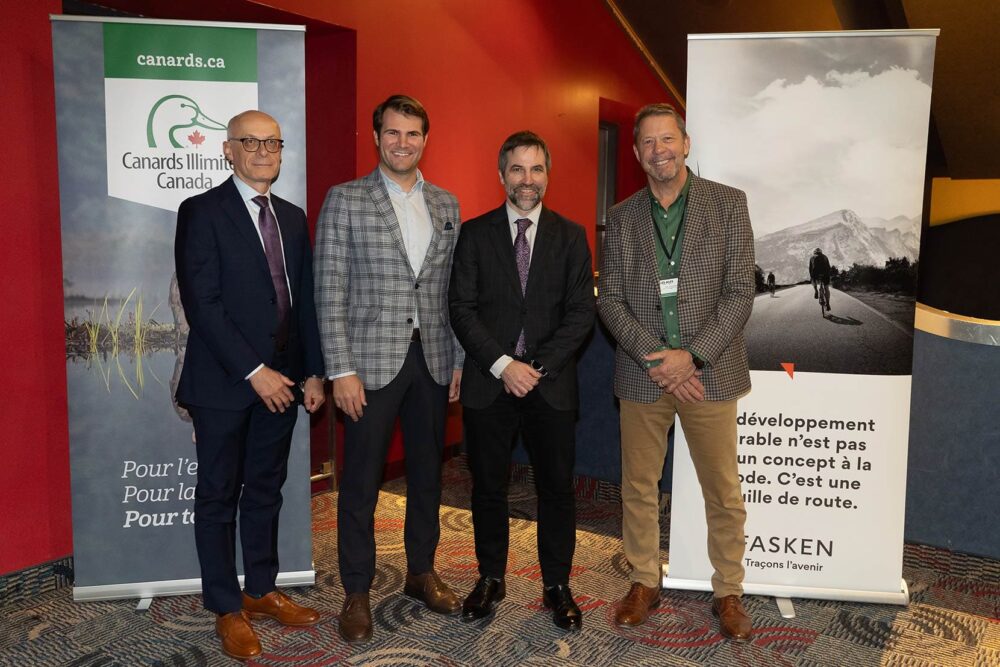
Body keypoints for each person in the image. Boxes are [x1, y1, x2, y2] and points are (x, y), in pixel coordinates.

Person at [597, 103, 755, 641]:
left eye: (668, 139)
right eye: (647, 142)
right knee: (638, 486)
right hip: (644, 375)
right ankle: (644, 579)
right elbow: (611, 300)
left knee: (722, 489)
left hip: (709, 373)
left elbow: (740, 292)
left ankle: (728, 590)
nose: (658, 150)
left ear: (686, 143)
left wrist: (694, 355)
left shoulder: (728, 205)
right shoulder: (619, 217)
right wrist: (658, 359)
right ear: (637, 151)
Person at [174, 110, 325, 661]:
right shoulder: (201, 212)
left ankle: (260, 589)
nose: (263, 151)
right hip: (224, 384)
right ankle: (225, 606)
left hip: (285, 381)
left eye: (272, 142)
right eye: (250, 142)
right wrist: (253, 371)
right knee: (218, 495)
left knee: (266, 488)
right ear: (228, 151)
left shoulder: (292, 216)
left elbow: (302, 300)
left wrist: (310, 370)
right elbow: (202, 304)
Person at [314, 94, 464, 644]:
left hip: (433, 361)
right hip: (368, 365)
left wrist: (460, 361)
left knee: (429, 475)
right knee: (360, 483)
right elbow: (328, 290)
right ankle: (356, 589)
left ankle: (421, 572)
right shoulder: (346, 199)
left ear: (426, 139)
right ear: (377, 137)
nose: (403, 142)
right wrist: (340, 369)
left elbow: (453, 292)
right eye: (393, 133)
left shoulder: (447, 204)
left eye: (413, 134)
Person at [449, 131, 595, 629]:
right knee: (487, 488)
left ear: (547, 175)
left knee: (556, 489)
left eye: (536, 170)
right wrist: (502, 365)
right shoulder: (475, 233)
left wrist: (536, 369)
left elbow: (581, 313)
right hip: (490, 384)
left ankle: (557, 584)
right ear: (501, 175)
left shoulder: (571, 236)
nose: (526, 180)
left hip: (550, 386)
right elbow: (461, 309)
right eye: (517, 169)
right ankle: (491, 577)